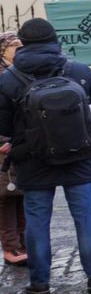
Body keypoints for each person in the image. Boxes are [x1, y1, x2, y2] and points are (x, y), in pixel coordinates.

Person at [0, 18, 91, 294]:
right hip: (79, 154)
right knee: (84, 216)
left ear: (23, 43)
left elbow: (4, 127)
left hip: (33, 158)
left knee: (37, 220)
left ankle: (40, 282)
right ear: (54, 39)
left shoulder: (8, 79)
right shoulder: (78, 70)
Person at [0, 32, 26, 266]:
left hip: (20, 142)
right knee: (6, 197)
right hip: (3, 146)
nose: (18, 49)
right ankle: (11, 246)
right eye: (13, 45)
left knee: (21, 193)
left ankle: (23, 242)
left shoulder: (20, 72)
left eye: (20, 44)